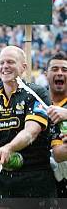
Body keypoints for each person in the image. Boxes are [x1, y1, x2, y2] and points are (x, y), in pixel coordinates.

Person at [0, 46, 55, 201]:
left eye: (10, 62)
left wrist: (8, 148)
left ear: (24, 67)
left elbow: (31, 132)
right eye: (1, 63)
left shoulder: (37, 93)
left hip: (36, 179)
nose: (5, 66)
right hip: (2, 181)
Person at [43, 52, 67, 196]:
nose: (59, 73)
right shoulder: (36, 102)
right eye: (55, 69)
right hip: (43, 179)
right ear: (46, 74)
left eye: (64, 70)